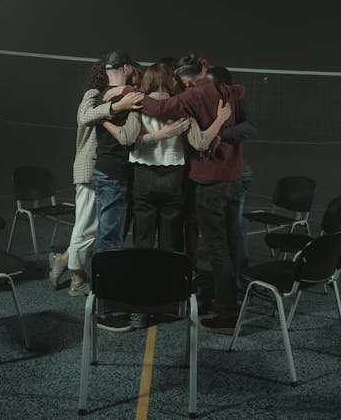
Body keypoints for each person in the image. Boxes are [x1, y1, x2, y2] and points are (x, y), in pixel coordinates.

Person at [141, 56, 245, 334]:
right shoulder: (227, 91)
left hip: (210, 183)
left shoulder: (192, 96)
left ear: (185, 80)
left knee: (216, 248)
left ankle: (227, 313)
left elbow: (160, 107)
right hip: (233, 179)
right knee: (231, 243)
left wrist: (130, 92)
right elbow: (240, 95)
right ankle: (227, 299)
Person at [49, 58, 143, 295]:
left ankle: (64, 259)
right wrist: (116, 108)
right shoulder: (93, 94)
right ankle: (77, 279)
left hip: (103, 168)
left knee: (97, 227)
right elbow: (85, 117)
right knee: (87, 226)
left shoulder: (113, 94)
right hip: (90, 166)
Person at [90, 50, 144, 331]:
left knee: (109, 237)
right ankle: (103, 308)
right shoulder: (127, 97)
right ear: (125, 68)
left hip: (107, 172)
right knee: (109, 241)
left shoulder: (103, 96)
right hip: (113, 175)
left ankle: (100, 298)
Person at [206, 66, 258, 300]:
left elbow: (251, 127)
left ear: (222, 85)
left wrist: (222, 135)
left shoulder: (235, 101)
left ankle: (239, 284)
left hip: (235, 174)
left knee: (233, 230)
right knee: (222, 232)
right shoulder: (203, 101)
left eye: (208, 83)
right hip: (218, 175)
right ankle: (225, 284)